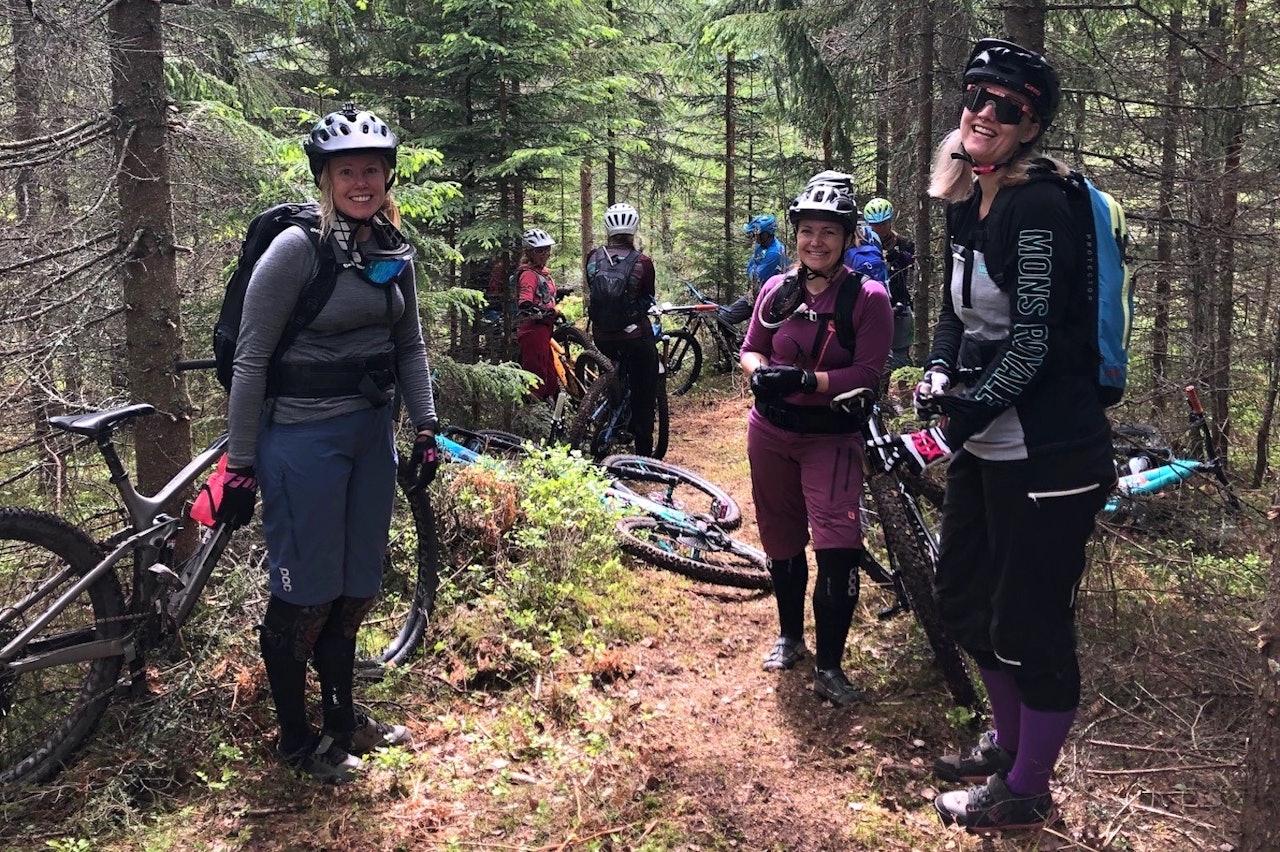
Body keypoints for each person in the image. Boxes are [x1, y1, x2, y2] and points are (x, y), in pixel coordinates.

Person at [869, 39, 1116, 833]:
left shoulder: (1037, 206)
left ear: (1030, 123)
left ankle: (1026, 790)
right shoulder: (968, 195)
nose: (983, 110)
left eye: (1005, 105)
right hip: (989, 440)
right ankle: (1010, 746)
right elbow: (955, 310)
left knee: (1029, 624)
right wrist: (940, 371)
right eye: (975, 94)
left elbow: (1036, 339)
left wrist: (959, 422)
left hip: (1049, 451)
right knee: (965, 600)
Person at [219, 103, 439, 784]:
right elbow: (252, 359)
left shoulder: (389, 249)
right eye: (347, 171)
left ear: (386, 176)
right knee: (304, 593)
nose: (361, 181)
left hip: (369, 434)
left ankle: (342, 723)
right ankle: (295, 739)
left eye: (371, 169)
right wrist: (240, 462)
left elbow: (411, 343)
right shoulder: (297, 250)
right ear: (326, 177)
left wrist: (426, 427)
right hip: (301, 438)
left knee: (355, 587)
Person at [739, 179, 893, 706]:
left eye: (829, 232)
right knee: (781, 537)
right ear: (796, 236)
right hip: (770, 431)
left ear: (848, 238)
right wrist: (760, 372)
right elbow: (752, 348)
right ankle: (789, 637)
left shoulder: (867, 297)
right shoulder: (776, 290)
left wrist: (809, 382)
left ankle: (830, 664)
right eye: (807, 232)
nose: (816, 242)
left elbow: (868, 373)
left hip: (831, 435)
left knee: (837, 547)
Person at [585, 202, 659, 456]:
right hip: (635, 338)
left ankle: (607, 404)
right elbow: (648, 295)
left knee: (611, 362)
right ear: (634, 230)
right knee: (645, 389)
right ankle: (643, 452)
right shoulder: (643, 262)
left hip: (602, 336)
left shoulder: (593, 257)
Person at [863, 197, 917, 370]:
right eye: (875, 225)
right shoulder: (863, 245)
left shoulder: (903, 243)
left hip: (899, 305)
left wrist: (899, 257)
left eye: (883, 223)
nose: (880, 229)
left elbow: (916, 263)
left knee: (899, 355)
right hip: (872, 306)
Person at [515, 227, 561, 401]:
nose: (545, 253)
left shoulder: (541, 272)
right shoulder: (528, 274)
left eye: (547, 249)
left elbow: (542, 294)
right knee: (537, 376)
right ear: (530, 252)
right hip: (533, 331)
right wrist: (541, 311)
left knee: (549, 376)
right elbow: (525, 301)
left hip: (544, 329)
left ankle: (551, 412)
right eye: (540, 250)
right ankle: (533, 415)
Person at [733, 213, 788, 322]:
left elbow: (757, 276)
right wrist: (754, 268)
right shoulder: (760, 246)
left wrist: (754, 268)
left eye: (758, 233)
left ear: (766, 234)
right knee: (724, 316)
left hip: (769, 300)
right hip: (755, 295)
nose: (754, 236)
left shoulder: (775, 252)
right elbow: (749, 268)